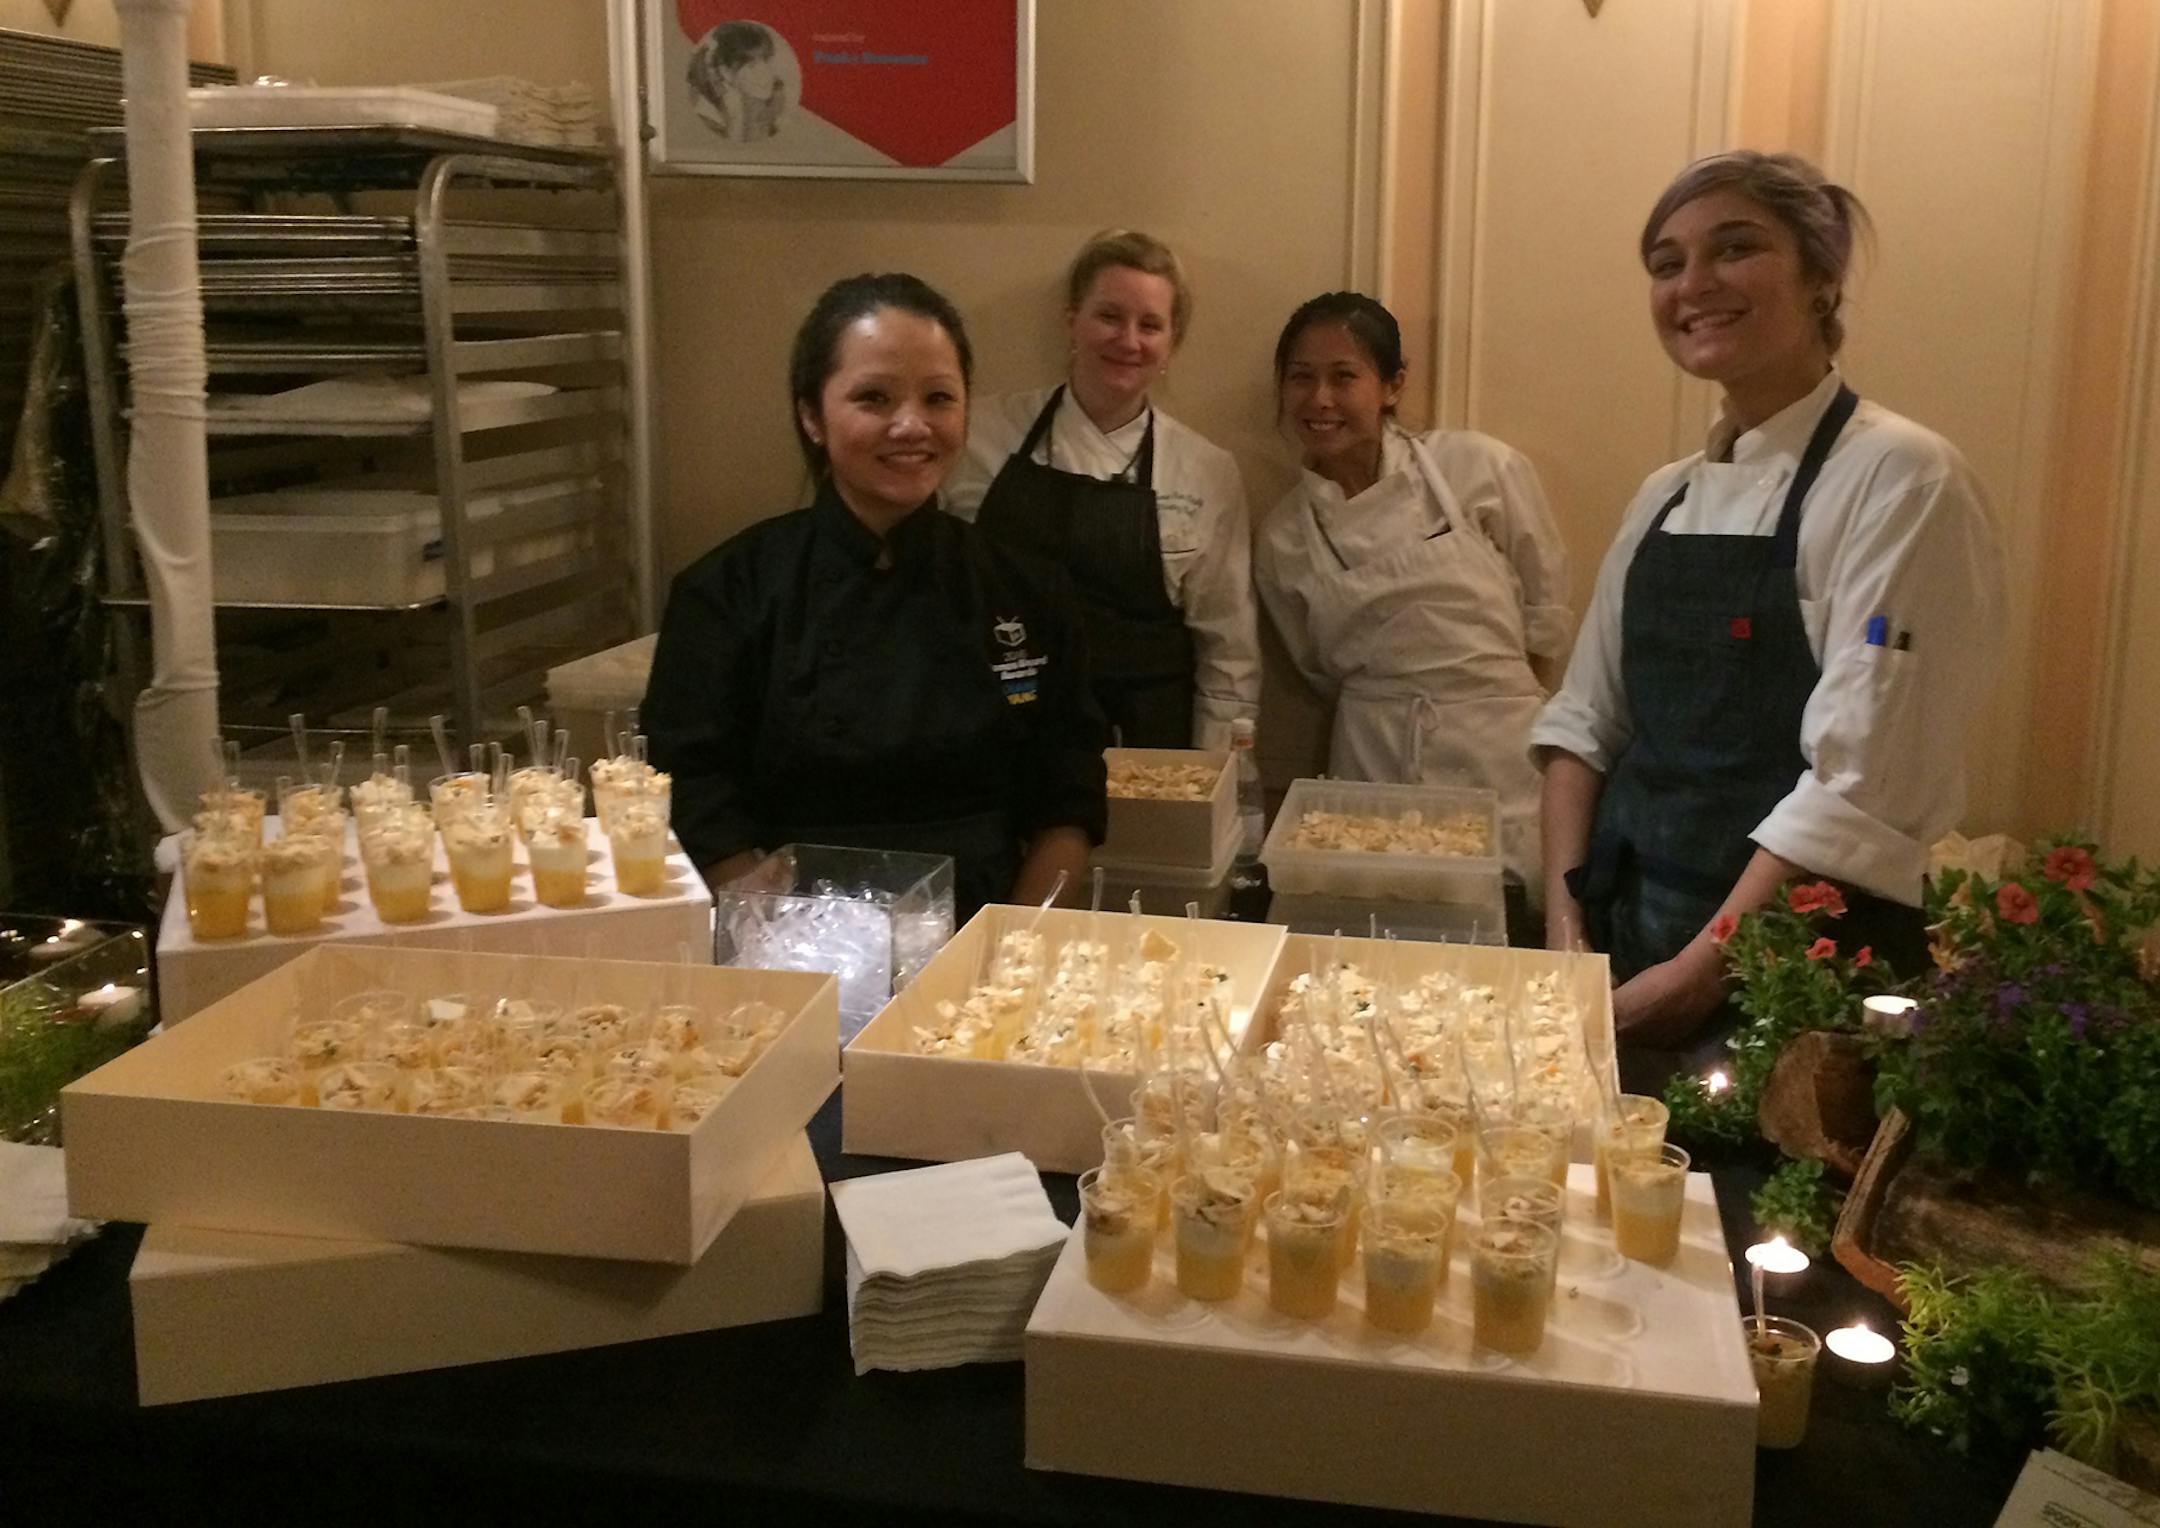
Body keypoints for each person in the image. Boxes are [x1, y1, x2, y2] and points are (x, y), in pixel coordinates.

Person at [1533, 151, 2005, 1086]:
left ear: (1822, 277)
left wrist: (1695, 978)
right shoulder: (1664, 497)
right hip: (1627, 942)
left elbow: (1860, 782)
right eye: (1667, 263)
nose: (1693, 285)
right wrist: (1564, 933)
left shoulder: (1904, 479)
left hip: (1795, 979)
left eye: (1735, 248)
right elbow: (1584, 725)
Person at [642, 273, 1107, 919]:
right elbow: (690, 786)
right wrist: (787, 936)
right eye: (874, 398)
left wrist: (1015, 940)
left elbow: (1068, 795)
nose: (911, 425)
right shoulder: (728, 591)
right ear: (812, 415)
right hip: (789, 931)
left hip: (986, 927)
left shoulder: (1028, 591)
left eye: (938, 398)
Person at [1253, 292, 1571, 904]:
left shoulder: (1477, 467)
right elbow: (1314, 667)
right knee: (1377, 930)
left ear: (1392, 385)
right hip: (1371, 759)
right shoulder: (1284, 537)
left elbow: (1547, 609)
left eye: (1343, 377)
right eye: (1301, 377)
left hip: (1500, 754)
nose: (1320, 399)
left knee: (1504, 924)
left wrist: (1491, 697)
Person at [944, 230, 1259, 750]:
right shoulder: (980, 435)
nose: (1129, 340)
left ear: (1171, 343)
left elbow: (1229, 647)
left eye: (1150, 325)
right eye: (1109, 316)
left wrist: (1220, 772)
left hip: (1146, 743)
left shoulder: (1206, 470)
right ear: (1072, 321)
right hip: (1004, 724)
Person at [687, 21, 787, 145]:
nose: (764, 72)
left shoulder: (775, 103)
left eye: (766, 61)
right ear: (726, 72)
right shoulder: (710, 118)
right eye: (752, 65)